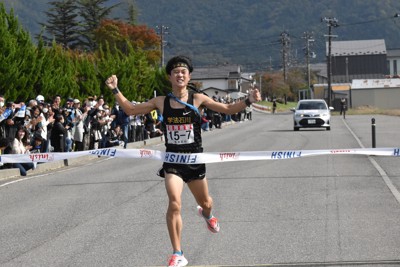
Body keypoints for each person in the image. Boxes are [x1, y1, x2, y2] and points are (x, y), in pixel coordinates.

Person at [105, 55, 261, 267]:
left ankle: (207, 215)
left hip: (195, 161)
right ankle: (178, 253)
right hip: (173, 163)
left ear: (189, 77)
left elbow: (227, 110)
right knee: (174, 203)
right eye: (176, 72)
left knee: (205, 203)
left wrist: (249, 100)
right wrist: (115, 89)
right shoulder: (161, 101)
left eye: (183, 72)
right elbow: (131, 110)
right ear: (170, 76)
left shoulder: (198, 99)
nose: (180, 75)